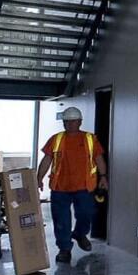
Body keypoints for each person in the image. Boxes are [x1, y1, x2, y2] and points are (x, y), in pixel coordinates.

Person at [37, 106, 108, 263]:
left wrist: (103, 177)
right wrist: (39, 178)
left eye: (73, 121)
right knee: (61, 220)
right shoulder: (56, 139)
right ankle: (64, 249)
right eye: (66, 122)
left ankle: (79, 233)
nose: (69, 125)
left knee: (86, 214)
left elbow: (99, 158)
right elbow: (47, 159)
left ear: (80, 122)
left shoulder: (90, 139)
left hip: (84, 186)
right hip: (60, 187)